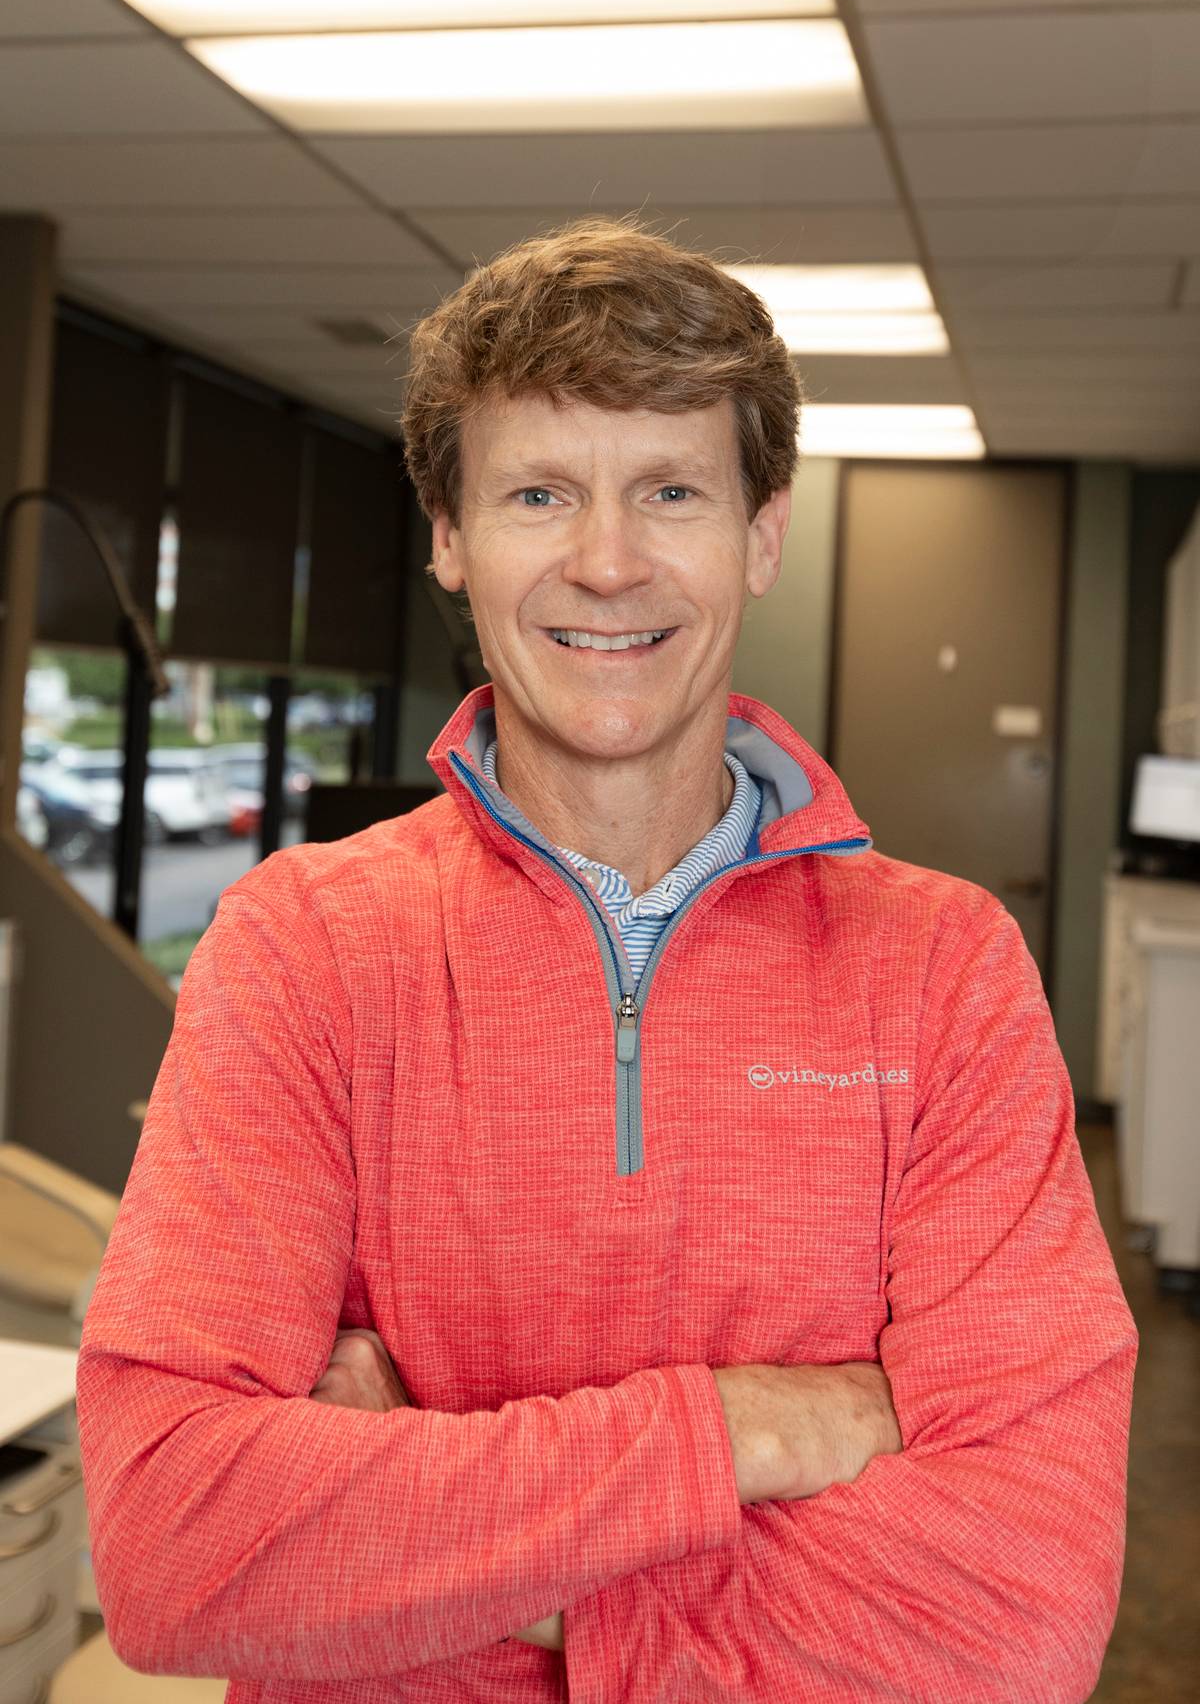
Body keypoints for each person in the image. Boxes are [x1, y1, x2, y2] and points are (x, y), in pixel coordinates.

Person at [75, 216, 1137, 1703]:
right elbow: (180, 1550)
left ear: (762, 535)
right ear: (450, 539)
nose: (609, 562)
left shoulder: (945, 972)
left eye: (671, 491)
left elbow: (1018, 1611)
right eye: (539, 493)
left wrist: (423, 1520)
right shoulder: (303, 947)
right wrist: (740, 1432)